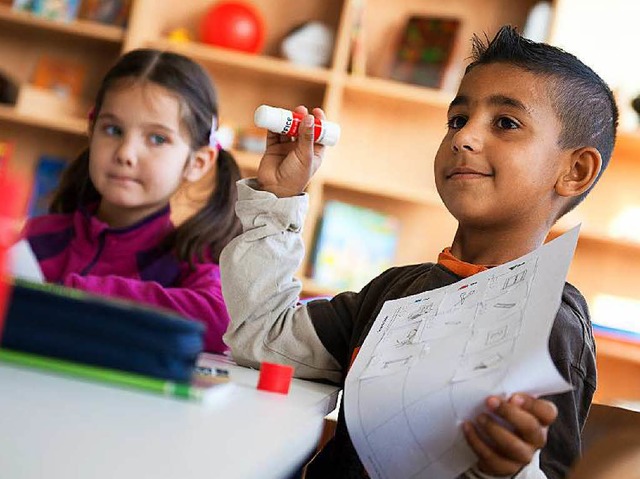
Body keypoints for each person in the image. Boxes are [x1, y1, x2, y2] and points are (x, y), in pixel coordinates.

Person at [220, 25, 617, 478]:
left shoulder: (551, 320)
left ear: (575, 170)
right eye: (457, 119)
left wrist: (512, 468)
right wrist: (276, 199)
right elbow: (263, 339)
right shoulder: (395, 289)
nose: (463, 138)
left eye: (505, 123)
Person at [23, 49, 241, 354]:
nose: (125, 152)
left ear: (199, 162)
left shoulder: (190, 261)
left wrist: (73, 294)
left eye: (157, 139)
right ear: (91, 130)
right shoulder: (35, 239)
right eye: (113, 130)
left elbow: (220, 320)